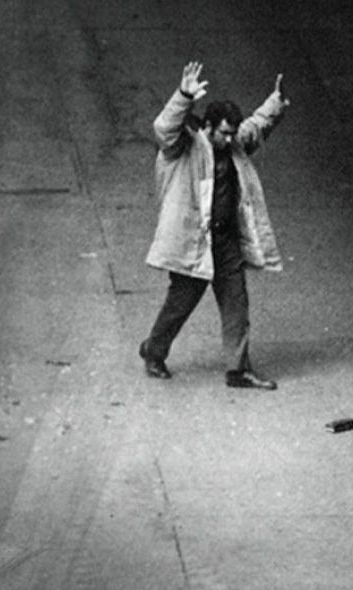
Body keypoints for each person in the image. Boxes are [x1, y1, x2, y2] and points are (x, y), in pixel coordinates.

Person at [139, 61, 289, 390]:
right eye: (223, 132)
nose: (230, 138)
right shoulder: (184, 146)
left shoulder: (233, 143)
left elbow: (255, 126)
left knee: (237, 306)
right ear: (207, 127)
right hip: (194, 242)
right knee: (180, 303)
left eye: (232, 133)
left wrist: (274, 104)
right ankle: (153, 351)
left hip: (226, 243)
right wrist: (183, 96)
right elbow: (164, 127)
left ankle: (238, 371)